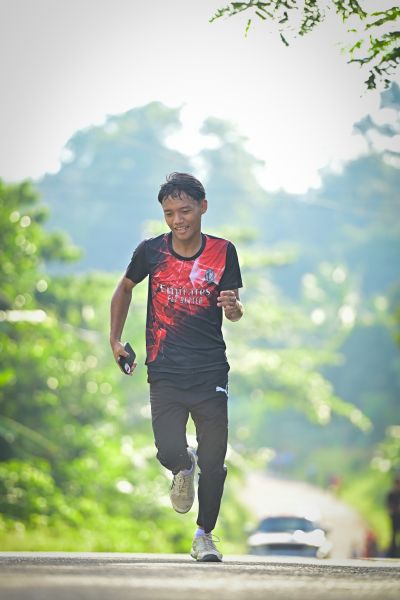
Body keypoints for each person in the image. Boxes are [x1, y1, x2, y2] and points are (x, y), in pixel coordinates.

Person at [110, 172, 244, 562]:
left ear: (203, 207)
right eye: (169, 213)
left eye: (185, 210)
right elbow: (124, 288)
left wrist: (234, 308)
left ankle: (204, 536)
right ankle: (182, 466)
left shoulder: (223, 251)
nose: (177, 220)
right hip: (165, 369)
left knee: (215, 461)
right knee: (169, 449)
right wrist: (115, 340)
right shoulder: (152, 251)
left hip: (210, 371)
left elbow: (233, 309)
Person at [386, 476, 400, 558]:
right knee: (394, 535)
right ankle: (393, 553)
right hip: (394, 518)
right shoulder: (391, 494)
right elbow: (388, 507)